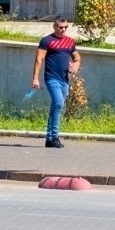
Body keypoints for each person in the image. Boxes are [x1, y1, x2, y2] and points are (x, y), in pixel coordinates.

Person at [30, 17, 81, 149]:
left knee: (56, 106)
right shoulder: (47, 41)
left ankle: (49, 139)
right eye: (60, 27)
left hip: (64, 79)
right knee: (58, 103)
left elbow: (77, 57)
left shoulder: (70, 42)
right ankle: (55, 136)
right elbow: (39, 59)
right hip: (51, 78)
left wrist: (76, 64)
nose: (63, 29)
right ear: (54, 27)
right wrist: (35, 78)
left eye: (65, 27)